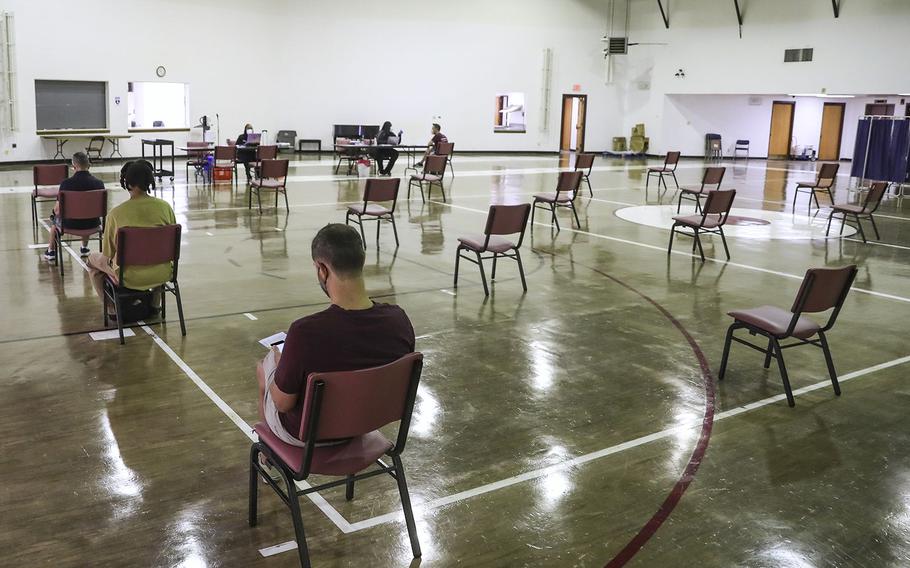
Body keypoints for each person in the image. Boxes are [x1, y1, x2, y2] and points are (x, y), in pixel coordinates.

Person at [256, 223, 415, 451]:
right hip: (365, 424)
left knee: (266, 366)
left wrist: (279, 365)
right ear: (361, 261)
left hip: (308, 435)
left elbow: (282, 404)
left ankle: (268, 455)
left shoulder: (305, 333)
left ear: (322, 269)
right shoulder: (399, 320)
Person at [86, 161, 177, 311]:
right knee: (155, 253)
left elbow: (108, 253)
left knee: (92, 261)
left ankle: (112, 309)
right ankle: (155, 304)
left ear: (126, 182)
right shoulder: (165, 208)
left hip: (128, 276)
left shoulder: (116, 214)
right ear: (149, 180)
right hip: (163, 272)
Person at [43, 151, 105, 261]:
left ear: (74, 166)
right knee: (86, 213)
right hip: (93, 223)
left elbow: (57, 210)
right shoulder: (99, 184)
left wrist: (54, 212)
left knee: (54, 220)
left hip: (70, 224)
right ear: (89, 165)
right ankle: (84, 247)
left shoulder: (66, 184)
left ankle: (51, 251)